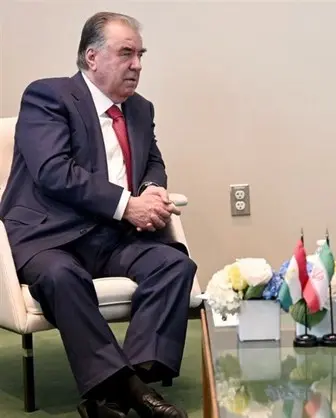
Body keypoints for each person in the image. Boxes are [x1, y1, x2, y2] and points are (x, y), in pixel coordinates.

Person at [0, 12, 197, 418]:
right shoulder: (47, 97)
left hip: (112, 237)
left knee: (174, 265)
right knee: (61, 276)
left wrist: (151, 189)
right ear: (92, 57)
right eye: (126, 53)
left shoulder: (140, 109)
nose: (137, 64)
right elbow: (53, 171)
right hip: (49, 236)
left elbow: (153, 162)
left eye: (140, 55)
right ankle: (135, 392)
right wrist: (128, 205)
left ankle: (115, 392)